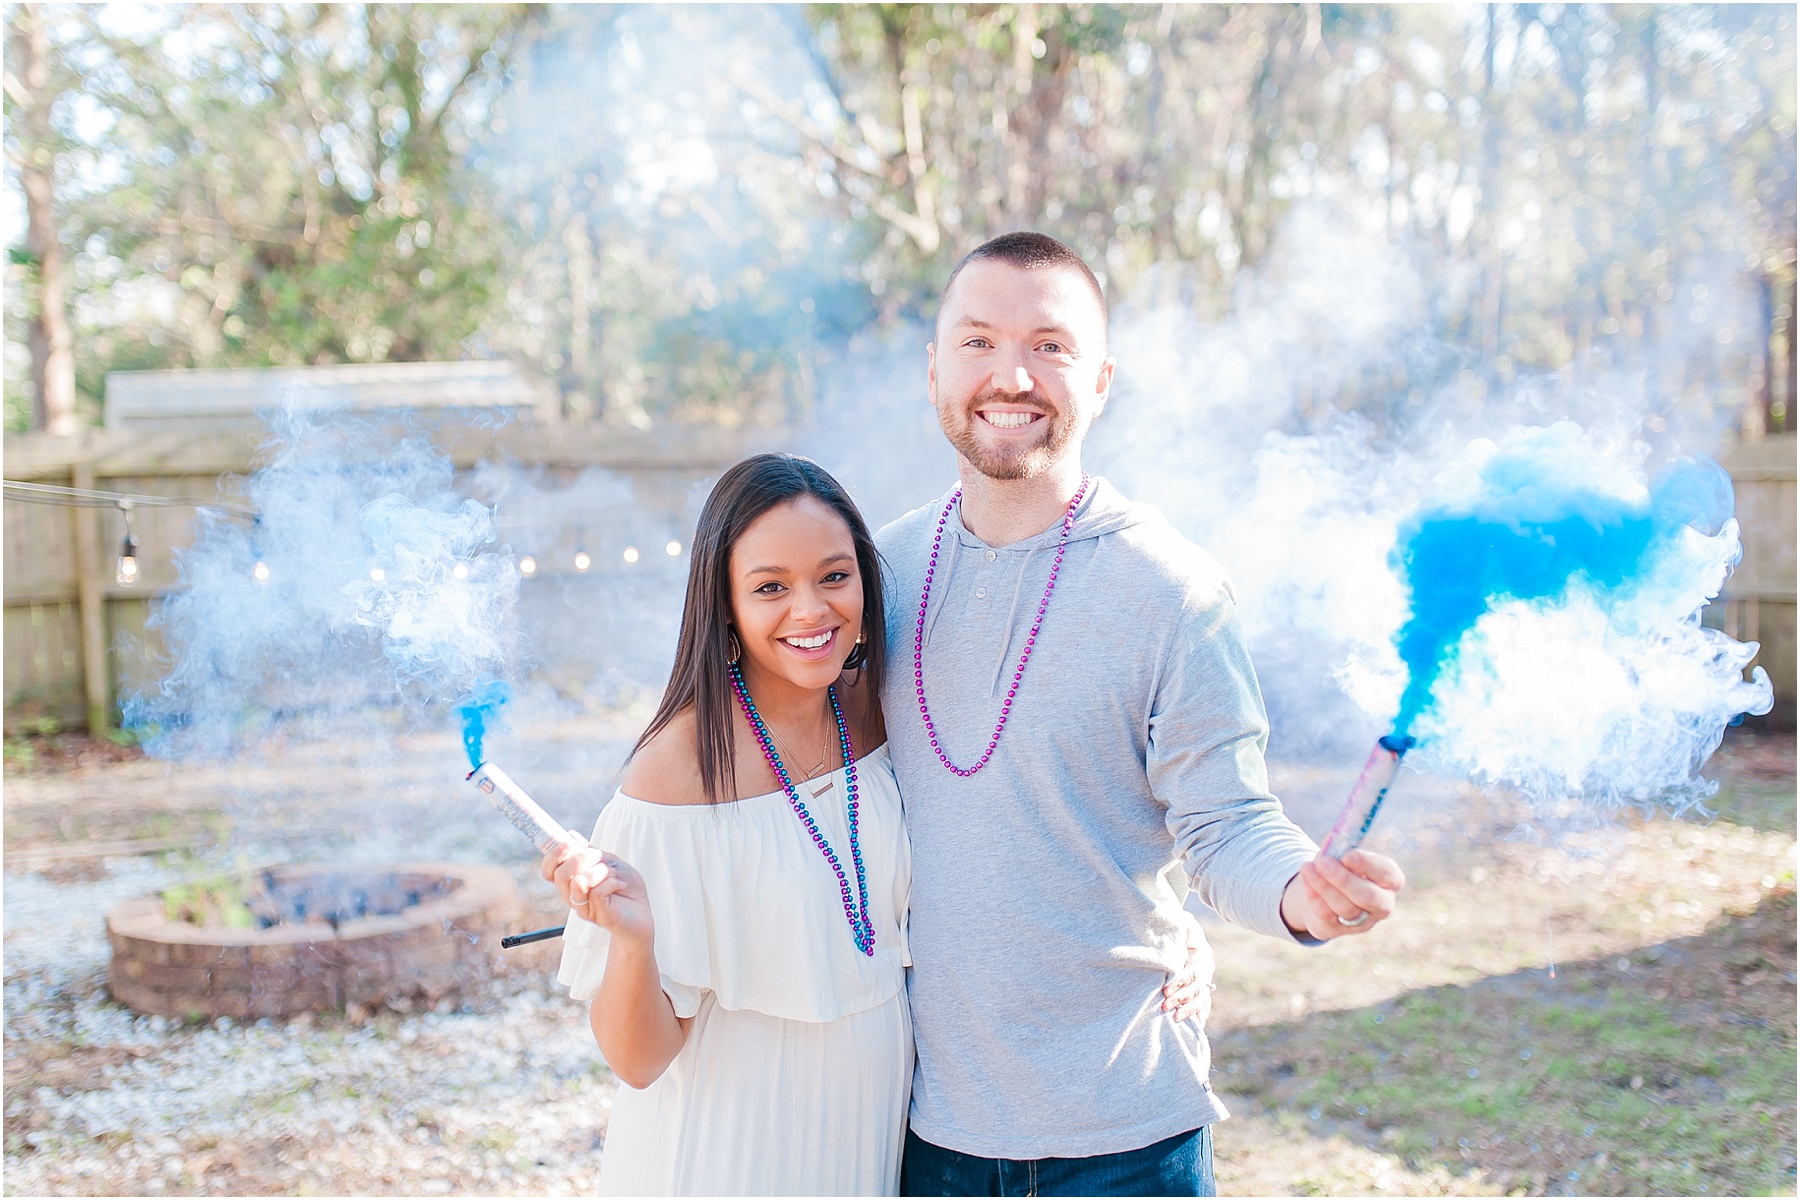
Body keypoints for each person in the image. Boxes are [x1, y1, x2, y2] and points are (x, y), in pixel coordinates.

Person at [879, 231, 1405, 1197]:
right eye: (979, 342)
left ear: (1103, 378)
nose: (1012, 375)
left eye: (1051, 345)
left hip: (1126, 1140)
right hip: (919, 1131)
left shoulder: (1173, 591)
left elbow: (1228, 822)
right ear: (935, 368)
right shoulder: (877, 578)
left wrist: (1299, 892)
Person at [540, 451, 1216, 1195]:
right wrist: (633, 941)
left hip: (872, 1144)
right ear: (723, 603)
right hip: (732, 1150)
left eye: (834, 576)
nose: (811, 611)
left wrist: (1171, 921)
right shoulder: (676, 770)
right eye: (770, 587)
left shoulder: (879, 704)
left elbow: (1025, 807)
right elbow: (639, 1061)